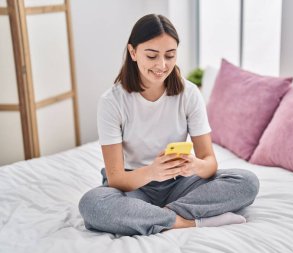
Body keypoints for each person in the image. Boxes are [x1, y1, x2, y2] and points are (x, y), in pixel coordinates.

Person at [78, 14, 260, 236]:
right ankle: (186, 222)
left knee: (247, 182)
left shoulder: (189, 94)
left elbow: (210, 163)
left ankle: (152, 216)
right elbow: (116, 178)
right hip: (134, 186)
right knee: (92, 204)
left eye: (170, 55)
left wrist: (194, 166)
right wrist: (153, 172)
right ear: (133, 52)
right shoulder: (112, 101)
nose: (162, 65)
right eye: (152, 56)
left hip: (179, 184)